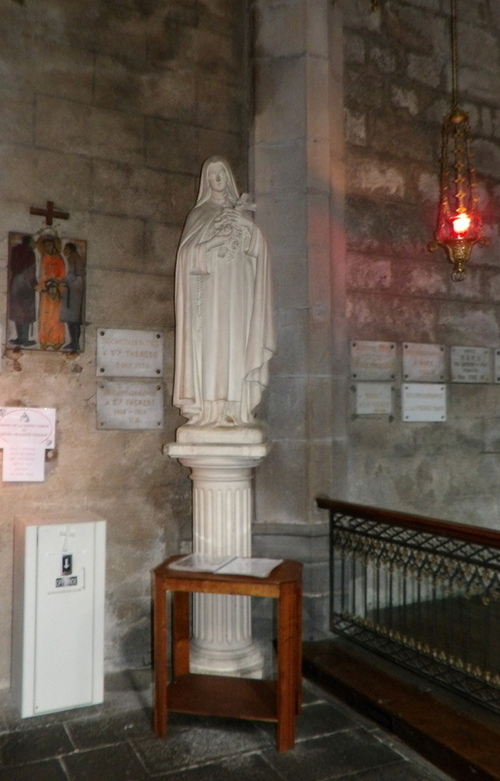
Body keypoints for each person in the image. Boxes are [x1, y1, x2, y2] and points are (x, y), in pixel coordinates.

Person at [173, 156, 276, 427]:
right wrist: (212, 243)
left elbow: (259, 252)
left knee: (237, 343)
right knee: (213, 346)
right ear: (205, 182)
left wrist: (246, 226)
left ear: (228, 177)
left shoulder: (242, 212)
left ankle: (237, 409)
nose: (216, 180)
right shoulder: (199, 214)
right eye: (211, 176)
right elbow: (185, 259)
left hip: (239, 292)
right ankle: (211, 411)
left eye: (221, 174)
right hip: (209, 298)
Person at [37, 233, 66, 350]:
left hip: (56, 291)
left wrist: (54, 282)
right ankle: (44, 340)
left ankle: (56, 341)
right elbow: (42, 274)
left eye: (49, 245)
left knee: (56, 316)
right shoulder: (44, 258)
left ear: (54, 246)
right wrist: (45, 284)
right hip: (45, 291)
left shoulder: (59, 259)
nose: (48, 248)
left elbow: (62, 275)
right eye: (46, 246)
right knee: (44, 316)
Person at [8, 234, 37, 347]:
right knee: (26, 311)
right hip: (25, 284)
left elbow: (12, 267)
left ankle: (20, 337)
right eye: (33, 241)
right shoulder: (29, 253)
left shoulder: (15, 251)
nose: (35, 244)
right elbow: (30, 271)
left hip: (15, 282)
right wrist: (34, 284)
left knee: (18, 310)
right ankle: (24, 338)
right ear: (29, 242)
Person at [60, 242, 85, 351]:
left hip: (73, 289)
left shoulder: (72, 257)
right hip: (76, 288)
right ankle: (74, 342)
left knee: (72, 318)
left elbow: (72, 274)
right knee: (74, 319)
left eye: (65, 249)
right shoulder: (76, 257)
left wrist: (62, 281)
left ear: (70, 249)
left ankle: (74, 343)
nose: (64, 251)